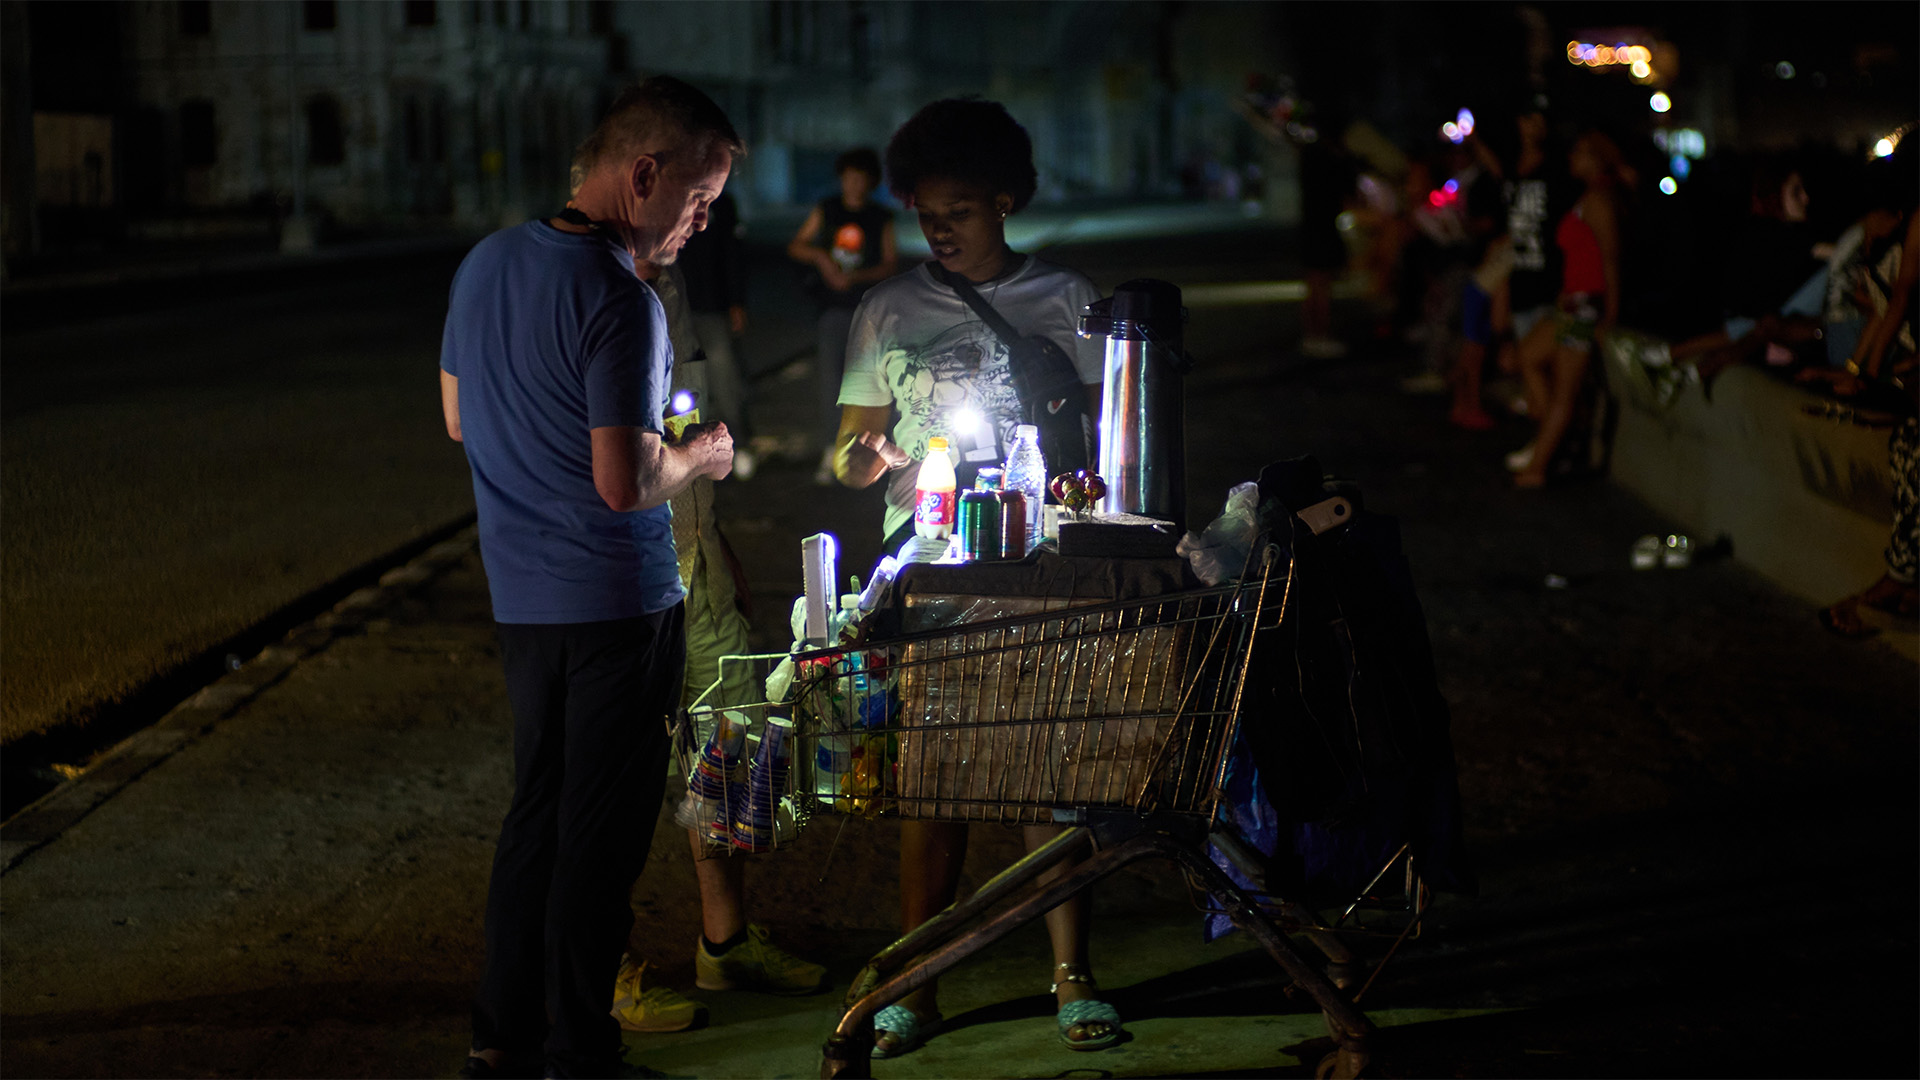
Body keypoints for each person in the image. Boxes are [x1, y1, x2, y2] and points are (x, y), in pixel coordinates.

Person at [439, 75, 739, 1080]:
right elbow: (625, 483)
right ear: (644, 175)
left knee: (535, 814)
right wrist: (699, 457)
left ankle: (501, 1035)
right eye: (699, 198)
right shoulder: (621, 297)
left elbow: (458, 419)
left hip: (522, 601)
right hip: (617, 605)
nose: (703, 221)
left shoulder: (486, 262)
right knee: (600, 839)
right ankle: (580, 1048)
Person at [831, 97, 1120, 1056]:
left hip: (1044, 565)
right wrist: (864, 458)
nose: (939, 230)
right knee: (934, 777)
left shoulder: (1068, 298)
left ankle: (1072, 974)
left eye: (958, 209)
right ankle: (918, 980)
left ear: (1005, 200)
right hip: (931, 570)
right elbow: (849, 453)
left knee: (1047, 769)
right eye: (925, 213)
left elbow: (1107, 443)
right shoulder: (887, 307)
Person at [607, 259, 827, 1038]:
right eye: (693, 205)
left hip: (695, 562)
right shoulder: (579, 285)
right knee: (612, 783)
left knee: (727, 750)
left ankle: (725, 945)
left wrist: (714, 535)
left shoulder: (670, 284)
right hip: (618, 581)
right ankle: (605, 969)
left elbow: (681, 422)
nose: (700, 222)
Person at [1510, 128, 1628, 489]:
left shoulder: (1600, 202)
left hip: (1585, 307)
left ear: (1595, 159)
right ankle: (1555, 436)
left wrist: (1610, 314)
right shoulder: (1588, 198)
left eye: (1579, 152)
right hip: (1571, 303)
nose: (1571, 158)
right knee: (1528, 355)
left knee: (1565, 390)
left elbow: (1611, 261)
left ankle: (1539, 466)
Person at [788, 147, 899, 484]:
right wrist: (823, 260)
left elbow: (890, 264)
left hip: (869, 312)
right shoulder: (828, 209)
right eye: (849, 177)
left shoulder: (880, 216)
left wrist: (855, 277)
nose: (854, 184)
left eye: (860, 178)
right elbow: (797, 245)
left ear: (871, 182)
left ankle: (872, 455)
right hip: (832, 309)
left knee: (873, 385)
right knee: (831, 383)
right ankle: (830, 451)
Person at [675, 190, 757, 479]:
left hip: (713, 305)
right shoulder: (669, 195)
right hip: (673, 307)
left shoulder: (721, 201)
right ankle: (686, 453)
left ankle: (739, 445)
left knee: (726, 380)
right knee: (681, 385)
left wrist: (736, 301)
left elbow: (732, 252)